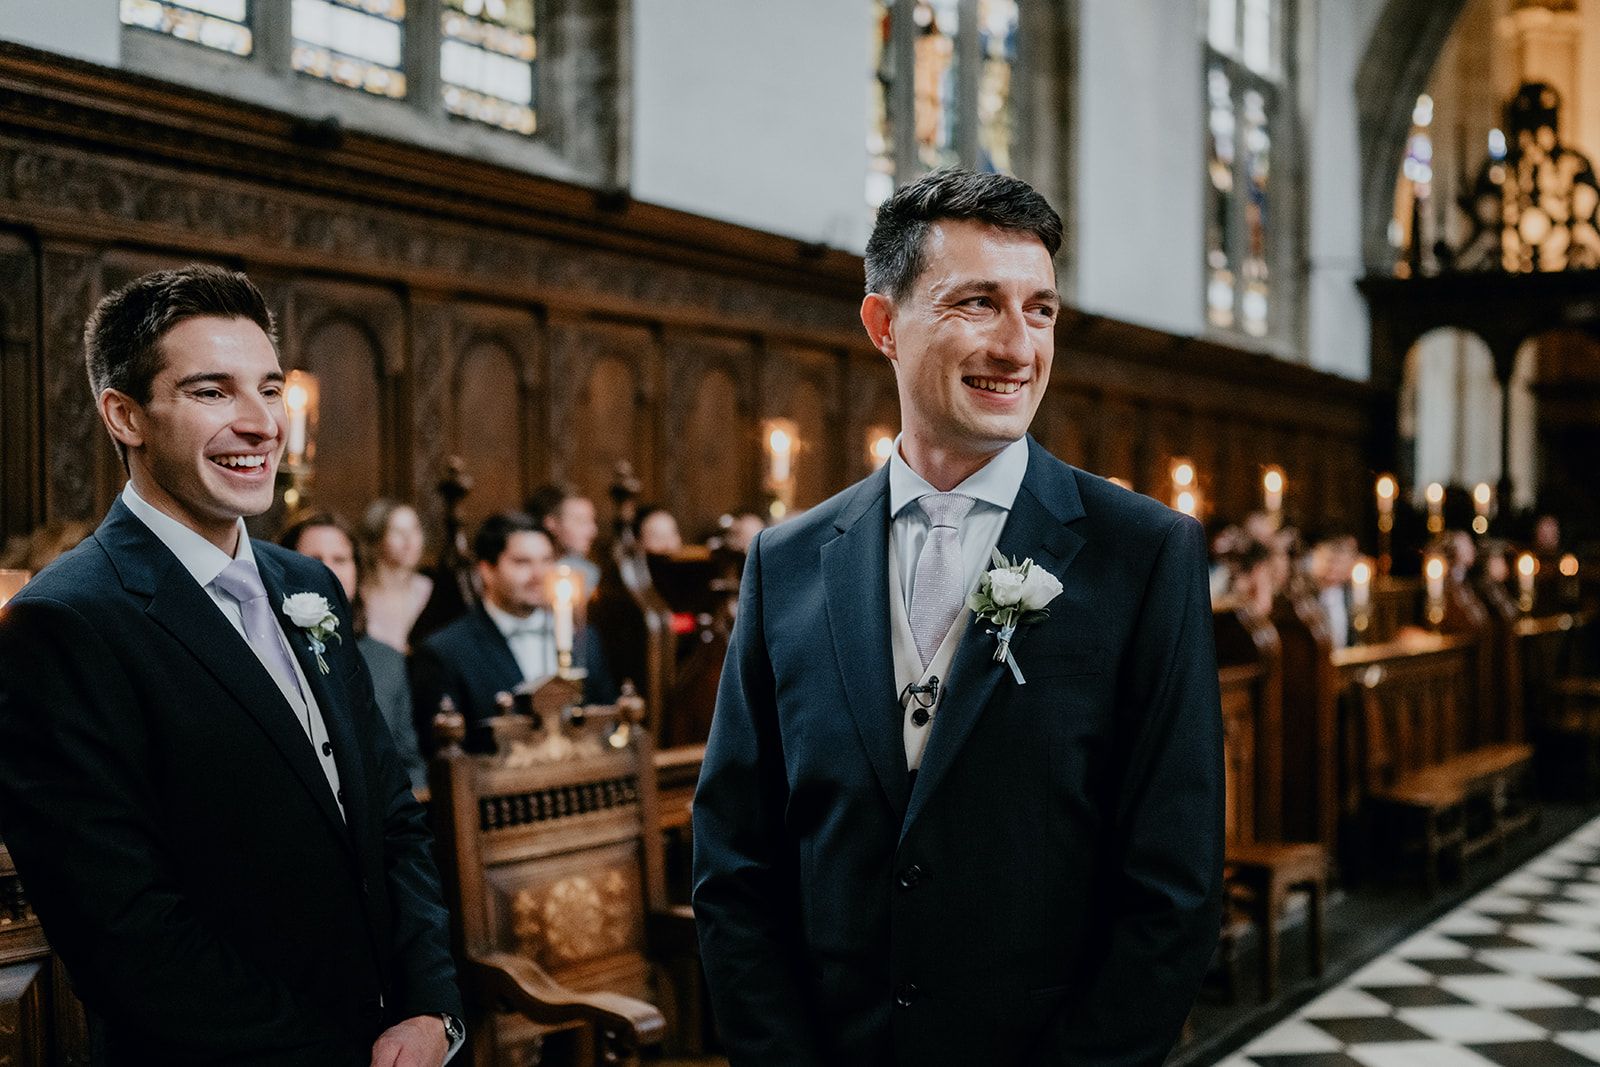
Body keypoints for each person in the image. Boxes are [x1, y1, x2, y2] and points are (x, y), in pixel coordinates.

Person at [692, 170, 1224, 1065]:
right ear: (884, 325)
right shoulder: (786, 565)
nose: (1019, 347)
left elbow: (1174, 885)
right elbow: (735, 863)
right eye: (978, 303)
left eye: (1041, 310)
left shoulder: (1144, 556)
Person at [0, 265, 462, 1064]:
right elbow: (127, 933)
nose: (262, 424)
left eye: (271, 389)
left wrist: (431, 1010)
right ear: (126, 414)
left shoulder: (308, 583)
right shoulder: (67, 621)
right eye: (213, 392)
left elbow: (390, 814)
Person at [411, 512, 617, 751]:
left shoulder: (582, 637)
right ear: (487, 571)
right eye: (522, 562)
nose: (539, 575)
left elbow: (605, 720)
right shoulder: (444, 652)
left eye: (546, 560)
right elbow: (444, 754)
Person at [280, 511, 429, 796]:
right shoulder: (270, 650)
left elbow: (409, 763)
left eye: (340, 560)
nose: (326, 571)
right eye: (313, 559)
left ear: (357, 570)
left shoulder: (388, 660)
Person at [359, 499, 433, 653]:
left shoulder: (429, 589)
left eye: (415, 529)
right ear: (377, 539)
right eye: (397, 531)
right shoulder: (360, 593)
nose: (409, 540)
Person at [526, 483, 601, 596]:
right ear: (551, 523)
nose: (593, 531)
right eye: (581, 521)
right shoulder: (524, 574)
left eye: (592, 521)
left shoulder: (586, 572)